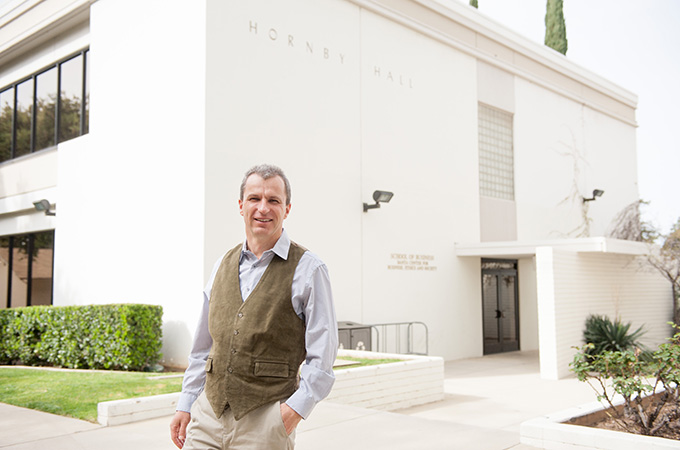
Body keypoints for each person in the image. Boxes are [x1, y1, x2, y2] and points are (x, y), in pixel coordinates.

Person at [170, 164, 338, 449]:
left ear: (286, 209)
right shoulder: (222, 264)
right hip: (207, 417)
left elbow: (323, 356)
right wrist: (186, 403)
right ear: (241, 205)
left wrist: (291, 413)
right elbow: (203, 347)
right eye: (254, 199)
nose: (263, 208)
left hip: (265, 423)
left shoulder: (309, 269)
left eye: (273, 200)